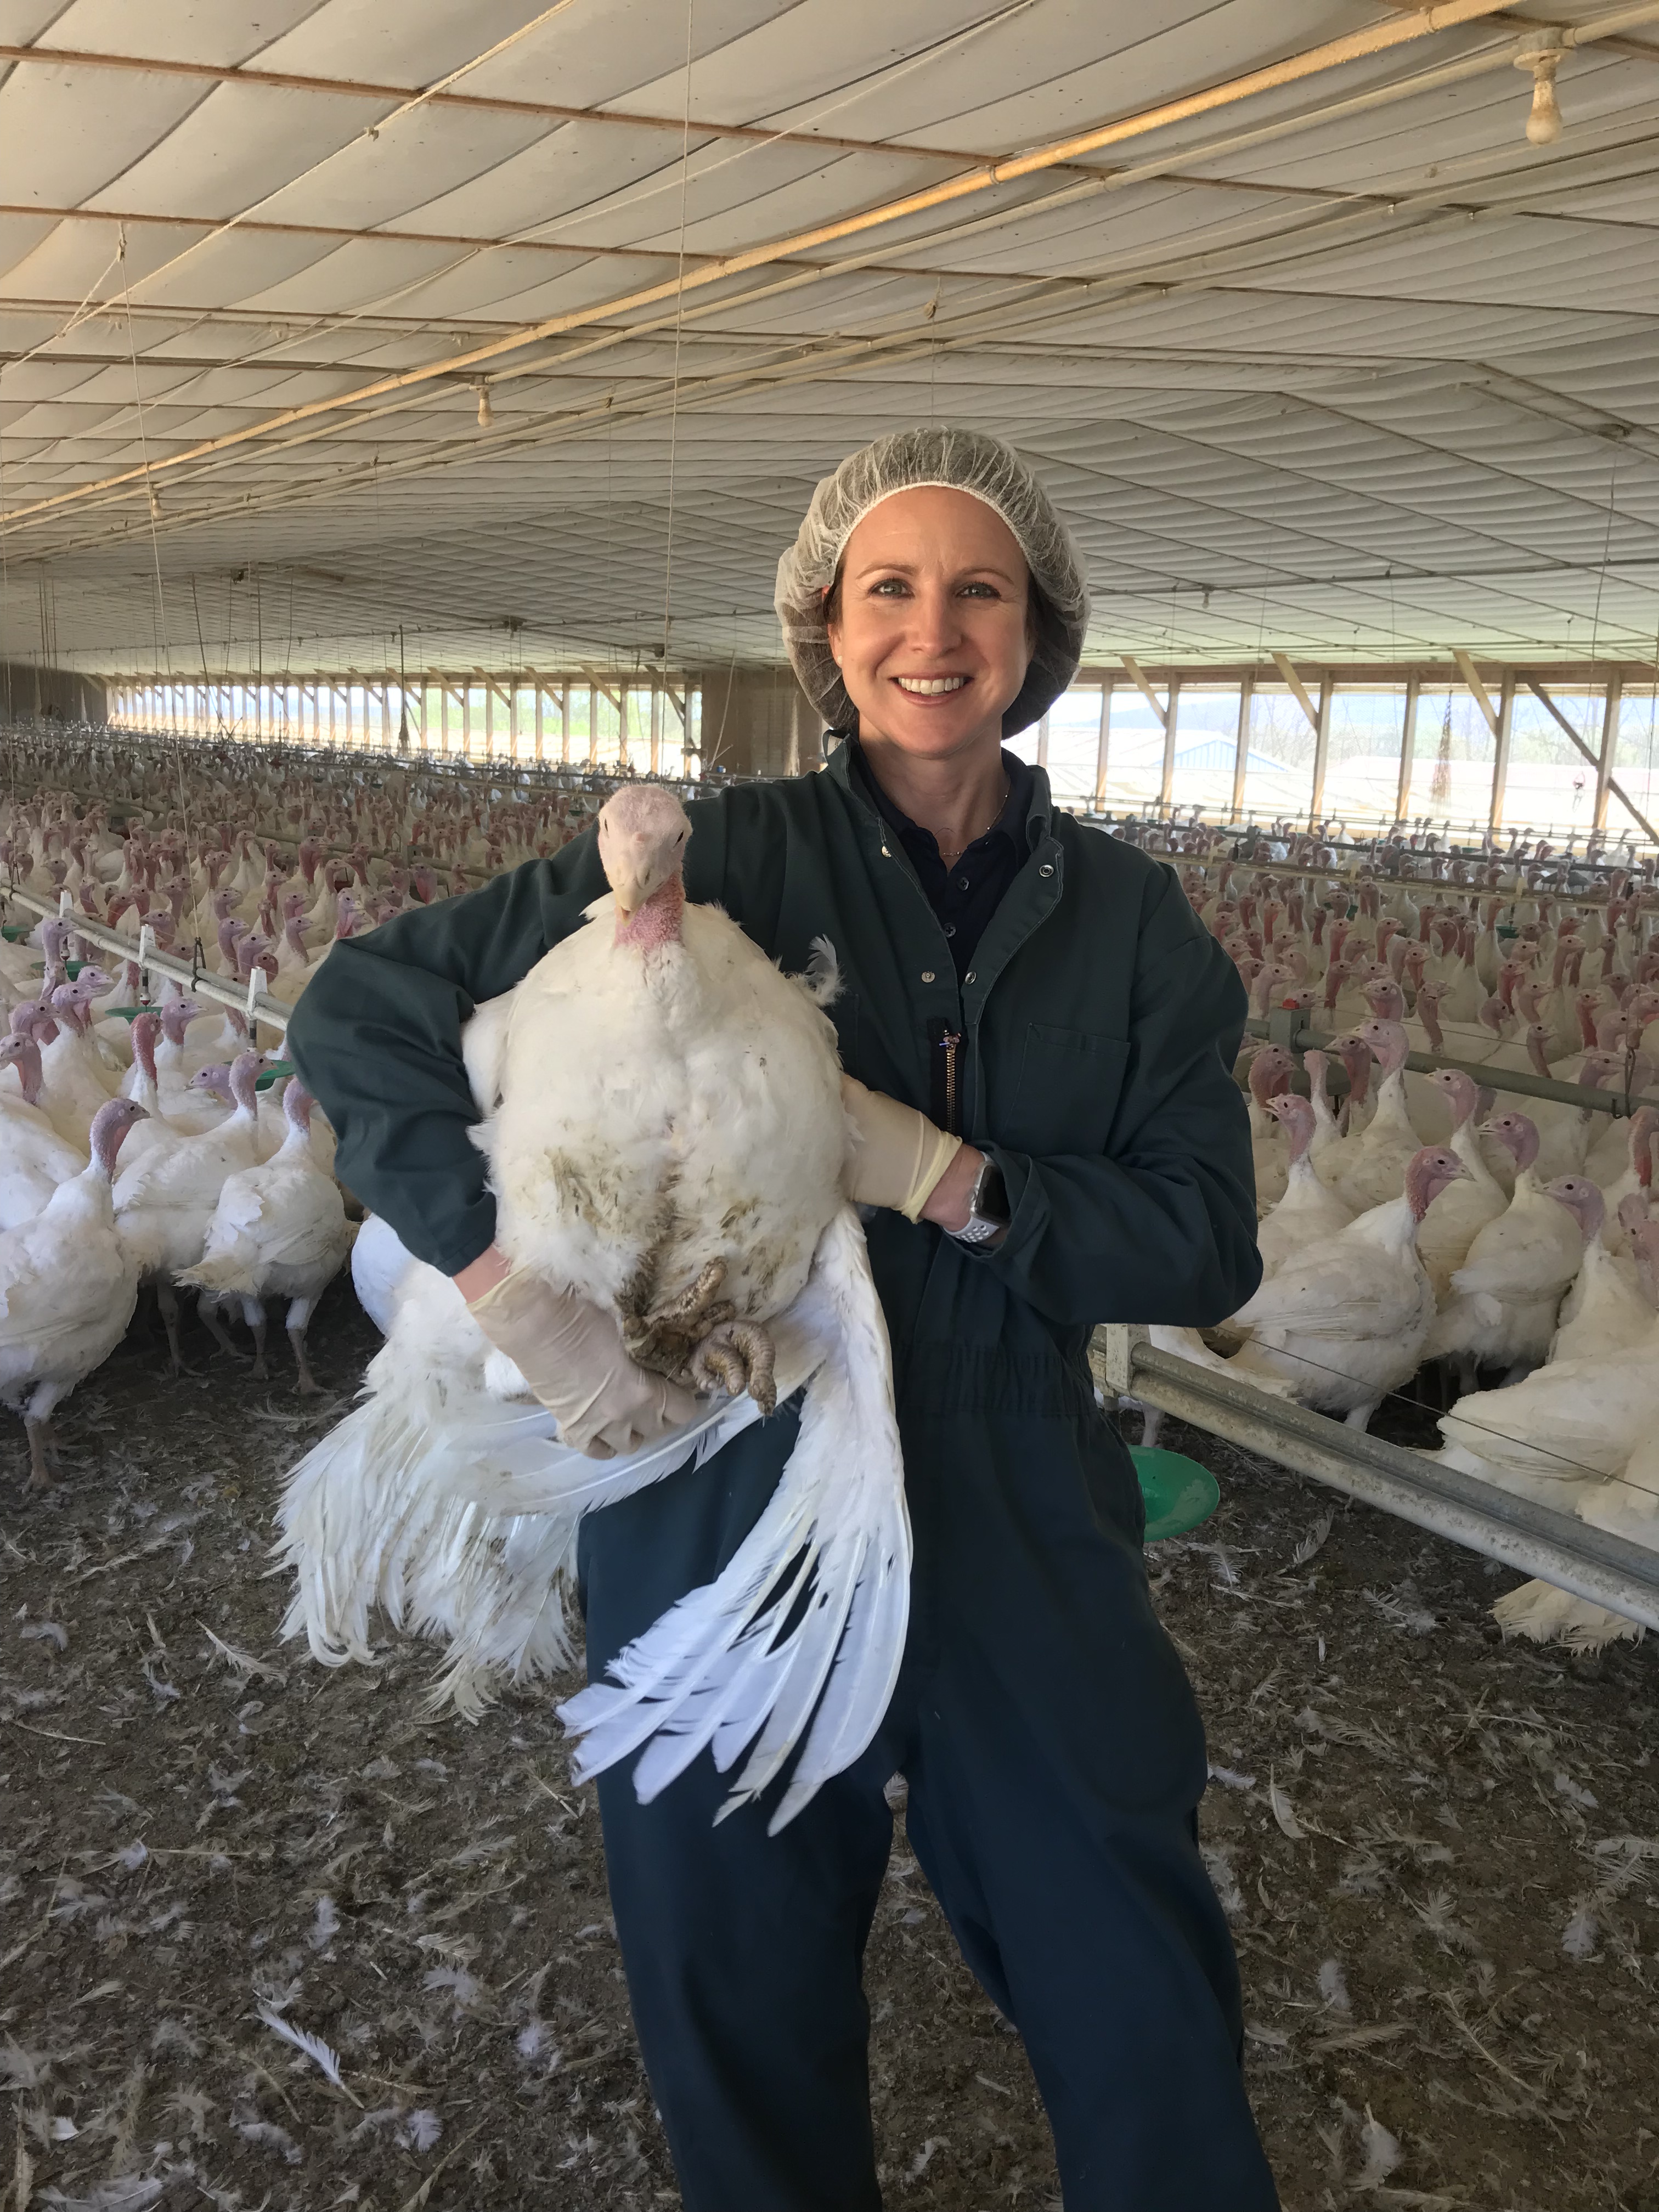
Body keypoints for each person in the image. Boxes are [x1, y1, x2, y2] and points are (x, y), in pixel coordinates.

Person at [289, 425, 1277, 2211]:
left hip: (1018, 1501)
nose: (931, 629)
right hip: (716, 1472)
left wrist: (961, 1182)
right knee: (734, 1991)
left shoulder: (1134, 926)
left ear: (1037, 629)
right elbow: (360, 1008)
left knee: (1131, 1973)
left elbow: (1207, 1244)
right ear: (825, 633)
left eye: (978, 589)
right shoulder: (711, 860)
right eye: (884, 589)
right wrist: (510, 1290)